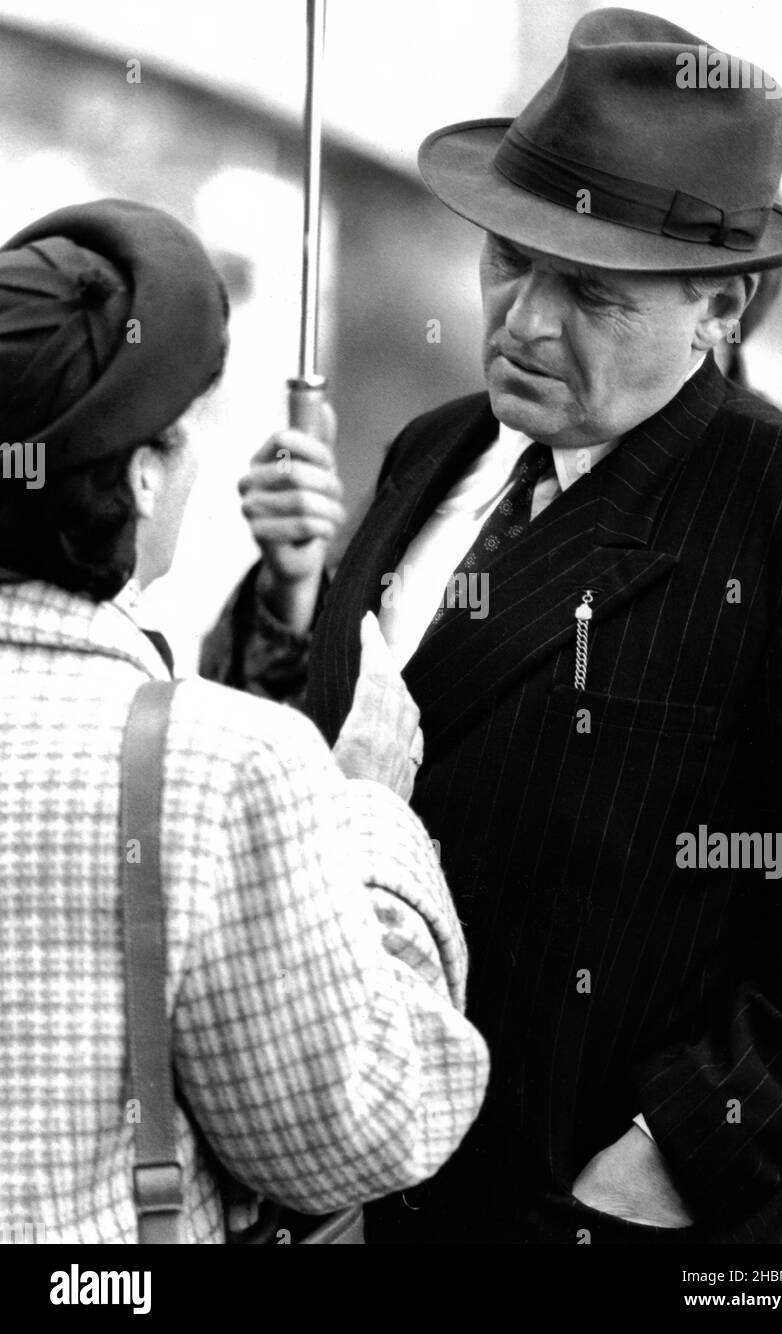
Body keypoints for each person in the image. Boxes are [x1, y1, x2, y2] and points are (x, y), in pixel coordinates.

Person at [203, 9, 782, 1244]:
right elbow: (338, 766)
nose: (520, 321)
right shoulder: (429, 449)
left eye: (589, 294)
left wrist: (672, 1154)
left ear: (718, 307)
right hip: (358, 1180)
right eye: (507, 259)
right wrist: (296, 599)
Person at [0, 198, 488, 1244]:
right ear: (140, 473)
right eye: (185, 439)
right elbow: (363, 1127)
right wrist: (365, 822)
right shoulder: (215, 762)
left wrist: (290, 597)